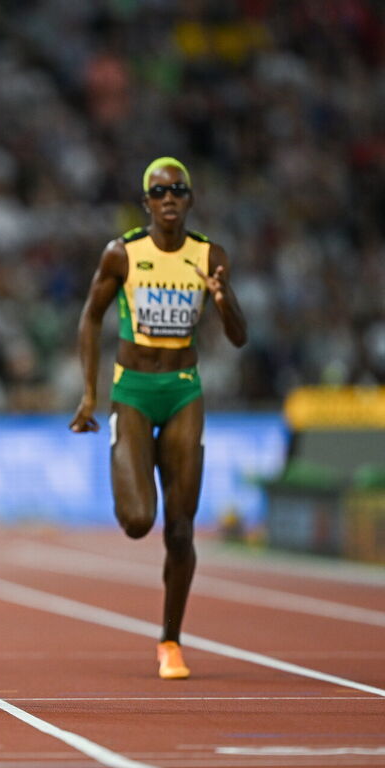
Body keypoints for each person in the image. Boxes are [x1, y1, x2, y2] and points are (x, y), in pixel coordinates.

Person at [69, 157, 247, 679]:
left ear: (189, 200)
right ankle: (125, 463)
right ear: (146, 201)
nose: (170, 199)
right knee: (138, 521)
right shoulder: (122, 253)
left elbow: (238, 336)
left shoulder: (209, 255)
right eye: (160, 191)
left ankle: (170, 640)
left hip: (184, 390)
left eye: (179, 191)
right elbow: (90, 316)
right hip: (133, 390)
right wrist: (87, 393)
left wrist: (224, 297)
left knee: (181, 529)